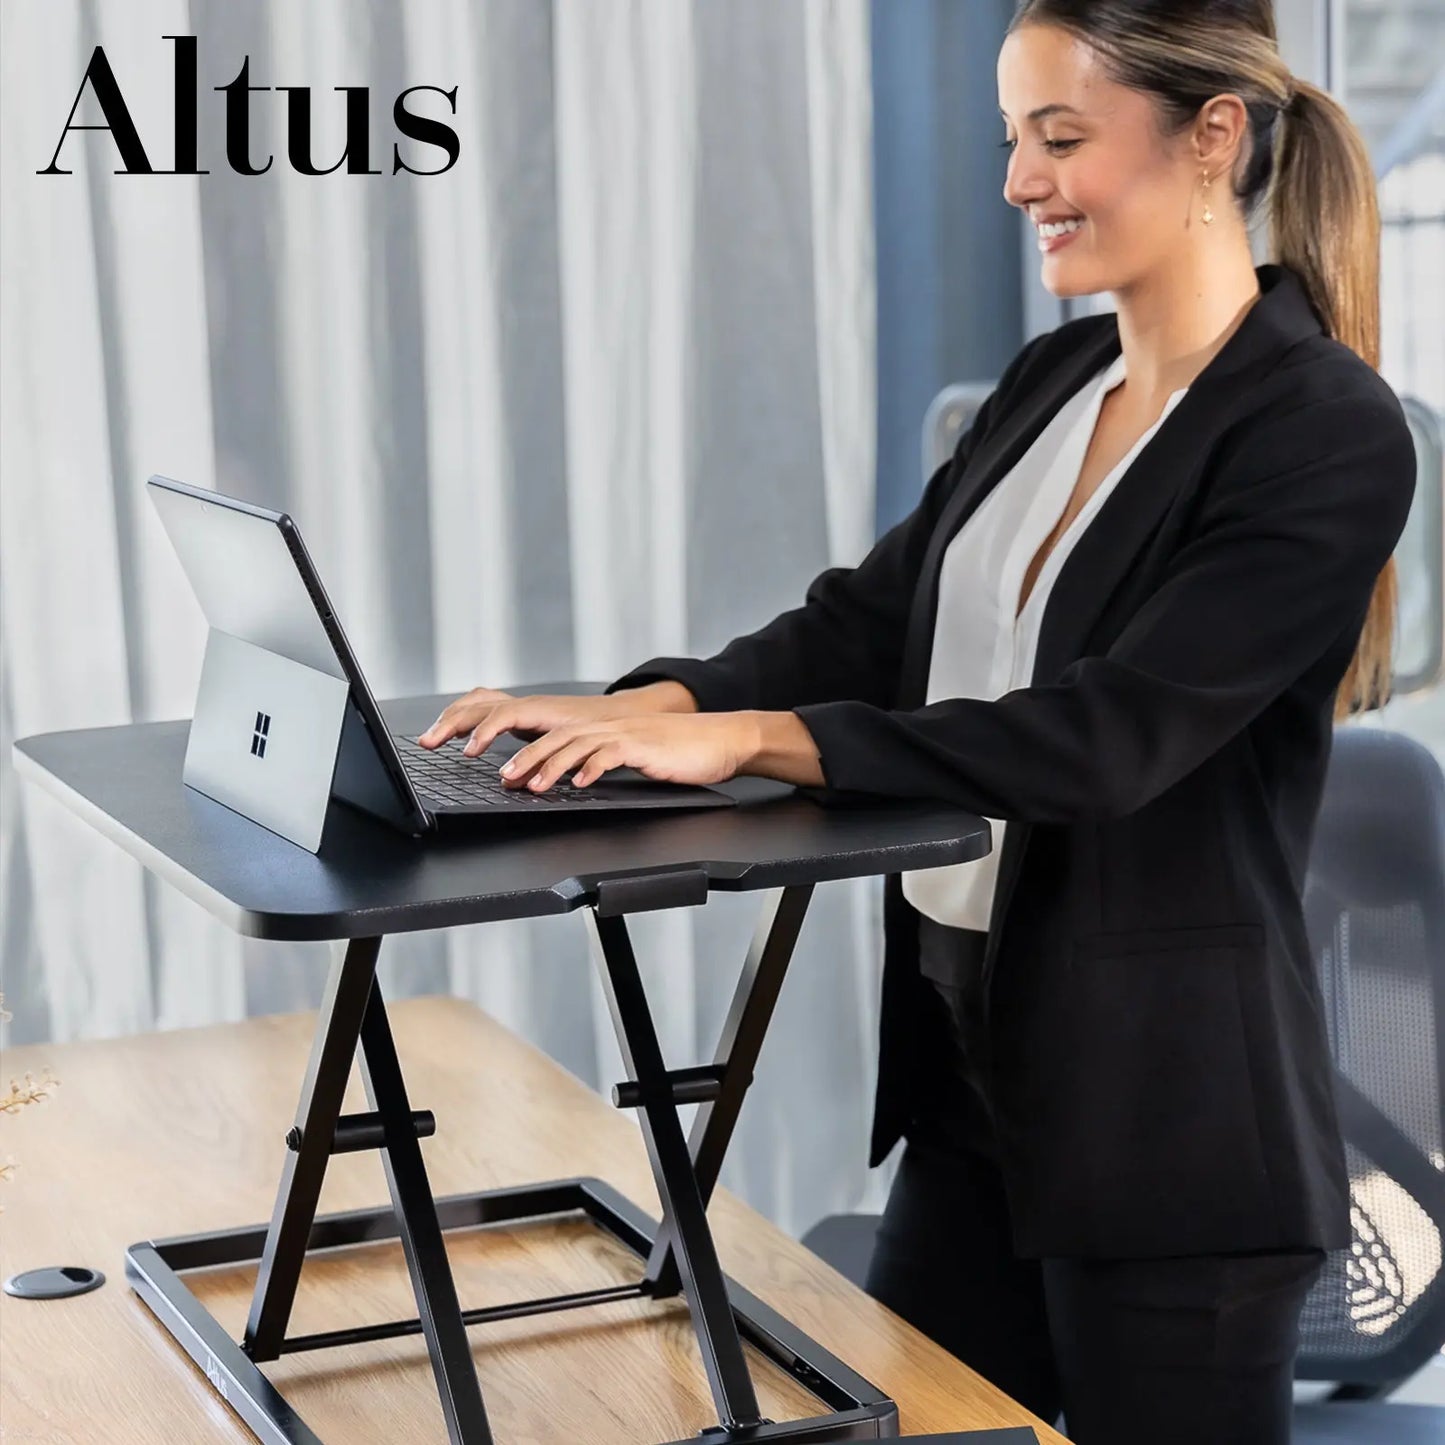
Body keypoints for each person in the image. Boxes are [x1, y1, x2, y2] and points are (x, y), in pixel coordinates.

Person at [416, 2, 1417, 1440]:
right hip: (972, 1087)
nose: (1019, 181)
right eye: (1012, 138)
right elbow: (868, 624)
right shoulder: (1056, 380)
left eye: (1057, 137)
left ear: (1211, 138)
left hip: (1164, 1133)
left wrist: (757, 742)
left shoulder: (1317, 428)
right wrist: (657, 701)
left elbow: (1101, 738)